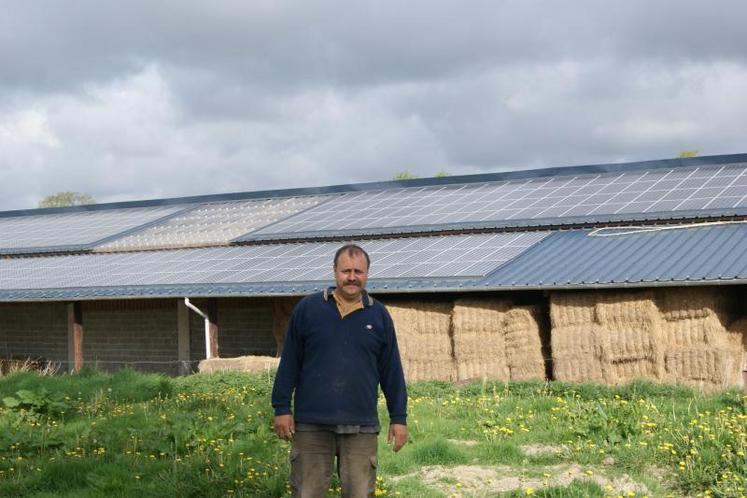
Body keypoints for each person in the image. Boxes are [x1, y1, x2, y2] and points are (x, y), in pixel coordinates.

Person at [272, 243, 408, 498]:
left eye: (359, 271)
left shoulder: (378, 315)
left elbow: (392, 370)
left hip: (361, 427)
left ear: (367, 274)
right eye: (346, 271)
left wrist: (398, 418)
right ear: (334, 272)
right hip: (311, 425)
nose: (352, 277)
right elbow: (290, 360)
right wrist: (281, 408)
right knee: (306, 493)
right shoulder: (308, 309)